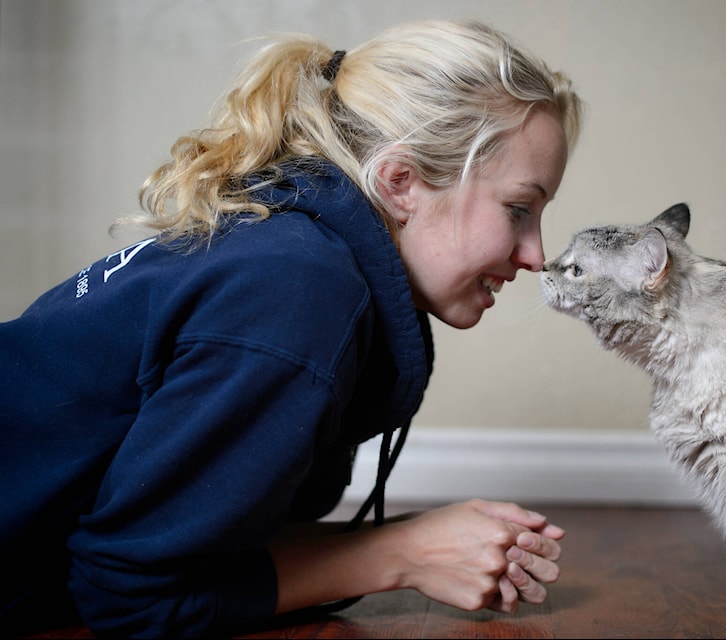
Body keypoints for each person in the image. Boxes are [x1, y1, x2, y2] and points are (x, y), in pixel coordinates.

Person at [0, 18, 583, 638]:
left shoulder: (286, 249)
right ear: (401, 181)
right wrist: (400, 555)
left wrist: (422, 543)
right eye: (518, 209)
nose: (537, 255)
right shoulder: (296, 289)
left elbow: (214, 540)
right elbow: (129, 596)